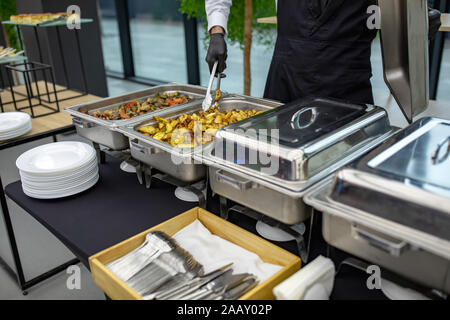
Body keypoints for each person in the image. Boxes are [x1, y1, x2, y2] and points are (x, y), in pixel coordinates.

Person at [205, 0, 441, 105]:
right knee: (276, 164)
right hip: (286, 79)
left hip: (348, 84)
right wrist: (217, 30)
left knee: (344, 173)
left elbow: (393, 8)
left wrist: (417, 17)